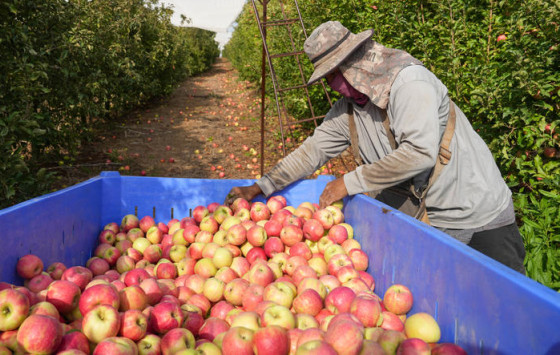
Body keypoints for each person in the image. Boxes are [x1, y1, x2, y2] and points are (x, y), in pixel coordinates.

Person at [225, 21, 526, 273]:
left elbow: (419, 153)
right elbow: (312, 151)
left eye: (334, 74)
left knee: (509, 316)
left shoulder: (409, 83)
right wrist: (261, 187)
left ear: (356, 63)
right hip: (430, 223)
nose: (332, 86)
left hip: (478, 218)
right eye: (327, 78)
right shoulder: (352, 108)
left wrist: (350, 182)